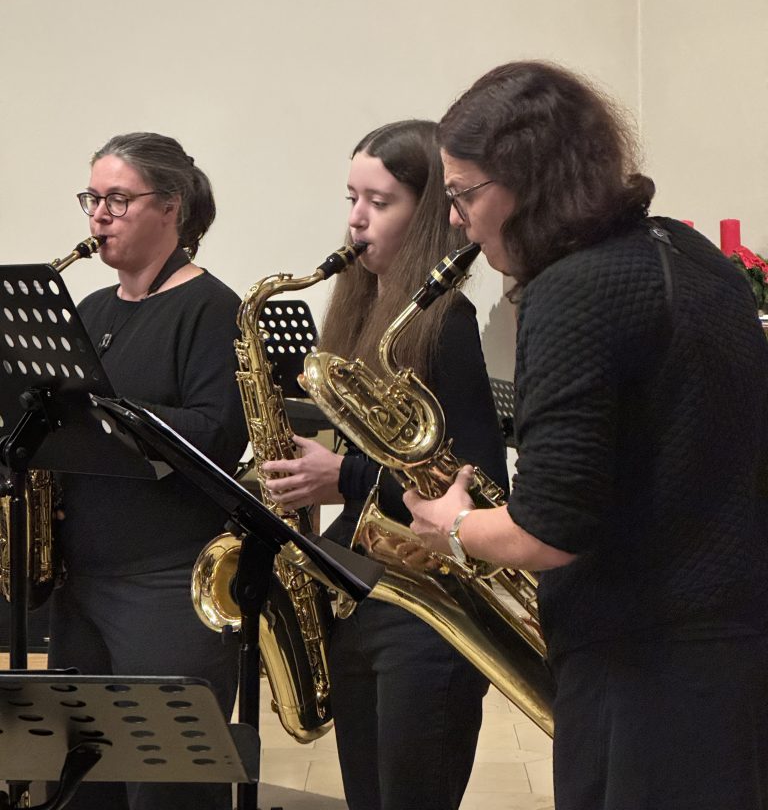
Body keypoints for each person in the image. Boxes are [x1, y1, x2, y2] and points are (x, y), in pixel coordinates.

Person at [404, 61, 768, 810]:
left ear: (527, 184)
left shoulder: (573, 289)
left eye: (464, 193)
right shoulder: (691, 252)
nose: (456, 218)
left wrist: (453, 527)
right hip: (734, 645)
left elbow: (550, 530)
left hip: (644, 666)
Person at [262, 119, 508, 810]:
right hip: (365, 594)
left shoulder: (446, 321)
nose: (356, 219)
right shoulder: (363, 308)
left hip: (427, 614)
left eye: (380, 201)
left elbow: (476, 478)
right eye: (352, 198)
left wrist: (342, 478)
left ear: (427, 213)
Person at [47, 132, 248, 810]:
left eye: (118, 200)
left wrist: (108, 415)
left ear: (170, 207)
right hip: (82, 583)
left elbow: (217, 434)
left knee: (168, 790)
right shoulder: (92, 310)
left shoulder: (213, 309)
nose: (99, 216)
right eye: (92, 199)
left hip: (167, 586)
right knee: (82, 789)